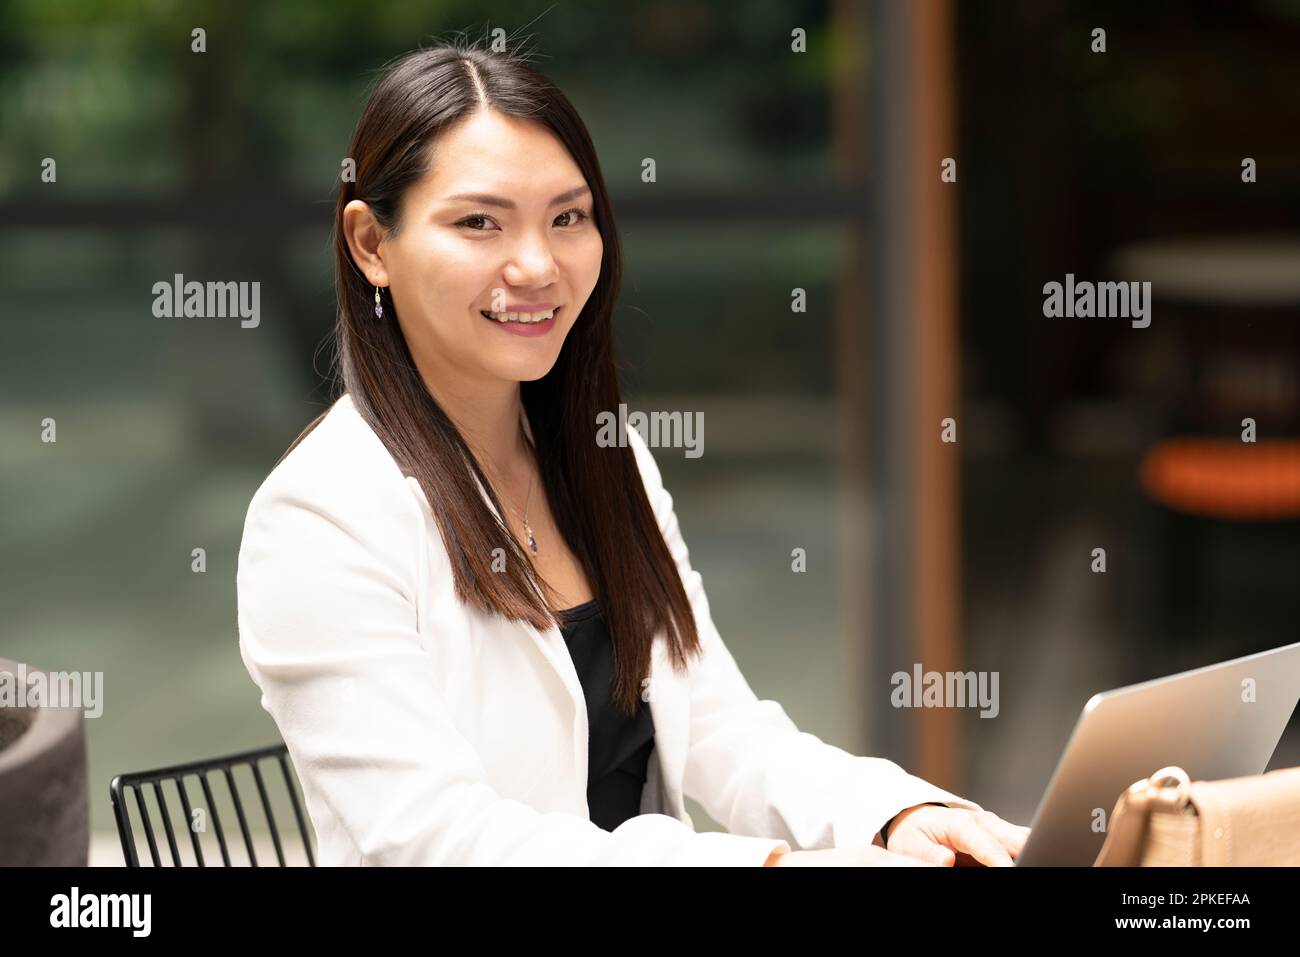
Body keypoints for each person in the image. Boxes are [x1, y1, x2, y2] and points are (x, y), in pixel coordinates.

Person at [236, 40, 1030, 867]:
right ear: (370, 244)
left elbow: (720, 725)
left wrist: (892, 814)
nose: (538, 264)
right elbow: (439, 839)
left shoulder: (604, 459)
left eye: (568, 218)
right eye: (479, 222)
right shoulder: (322, 516)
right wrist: (767, 866)